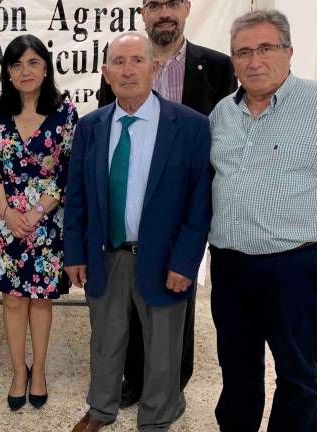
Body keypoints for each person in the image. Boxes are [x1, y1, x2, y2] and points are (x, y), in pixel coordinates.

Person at [208, 10, 317, 432]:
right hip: (229, 267)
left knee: (297, 376)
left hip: (296, 269)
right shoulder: (221, 114)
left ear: (288, 52)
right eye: (243, 52)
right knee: (237, 373)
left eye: (266, 48)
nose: (254, 61)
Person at [64, 33, 211, 432]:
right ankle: (101, 408)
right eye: (118, 62)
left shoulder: (191, 127)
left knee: (163, 348)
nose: (127, 70)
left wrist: (185, 261)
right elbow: (76, 195)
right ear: (106, 72)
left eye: (137, 60)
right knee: (106, 341)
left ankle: (157, 418)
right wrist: (74, 253)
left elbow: (200, 203)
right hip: (106, 254)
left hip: (165, 259)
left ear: (155, 68)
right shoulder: (91, 127)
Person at [97, 0, 236, 406]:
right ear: (143, 12)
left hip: (185, 208)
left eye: (172, 3)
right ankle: (135, 377)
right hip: (133, 206)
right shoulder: (121, 63)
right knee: (131, 300)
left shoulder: (217, 67)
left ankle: (173, 382)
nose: (164, 13)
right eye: (155, 4)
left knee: (176, 297)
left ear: (187, 8)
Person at [0, 34, 78, 411]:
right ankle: (18, 371)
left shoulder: (65, 113)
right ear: (7, 71)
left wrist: (36, 214)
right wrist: (8, 214)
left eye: (33, 62)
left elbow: (67, 170)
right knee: (12, 301)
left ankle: (39, 371)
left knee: (40, 302)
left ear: (46, 66)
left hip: (46, 223)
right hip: (4, 224)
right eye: (17, 64)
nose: (25, 71)